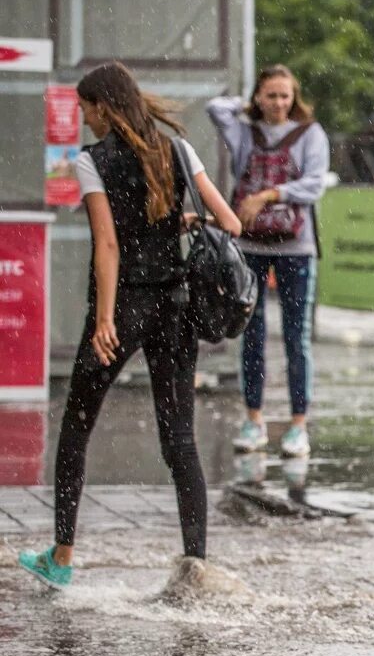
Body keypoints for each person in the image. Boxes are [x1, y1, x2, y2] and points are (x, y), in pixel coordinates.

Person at [18, 61, 241, 589]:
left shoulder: (92, 162)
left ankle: (63, 559)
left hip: (125, 309)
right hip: (177, 308)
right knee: (179, 440)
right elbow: (231, 223)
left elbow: (109, 245)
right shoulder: (178, 151)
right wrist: (189, 220)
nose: (85, 120)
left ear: (104, 107)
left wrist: (104, 319)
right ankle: (195, 567)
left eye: (87, 109)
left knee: (76, 426)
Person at [207, 65, 330, 459]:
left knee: (297, 338)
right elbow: (215, 109)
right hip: (250, 246)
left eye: (285, 96)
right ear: (259, 97)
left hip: (297, 247)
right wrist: (248, 105)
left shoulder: (311, 134)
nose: (279, 103)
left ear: (295, 98)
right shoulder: (245, 131)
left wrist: (267, 195)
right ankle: (254, 419)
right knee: (252, 335)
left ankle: (298, 425)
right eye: (271, 95)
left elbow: (313, 184)